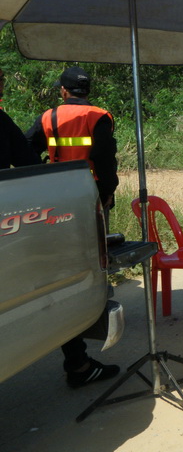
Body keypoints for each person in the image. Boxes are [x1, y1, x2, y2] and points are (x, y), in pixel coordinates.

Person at [26, 66, 120, 388]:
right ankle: (95, 313)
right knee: (95, 258)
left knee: (65, 264)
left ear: (64, 91)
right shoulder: (100, 116)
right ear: (87, 90)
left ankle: (77, 330)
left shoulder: (48, 116)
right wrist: (108, 192)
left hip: (57, 196)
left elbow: (27, 148)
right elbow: (105, 158)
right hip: (89, 193)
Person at [0, 68, 41, 168]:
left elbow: (26, 158)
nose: (2, 85)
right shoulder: (2, 121)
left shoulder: (3, 121)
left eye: (1, 79)